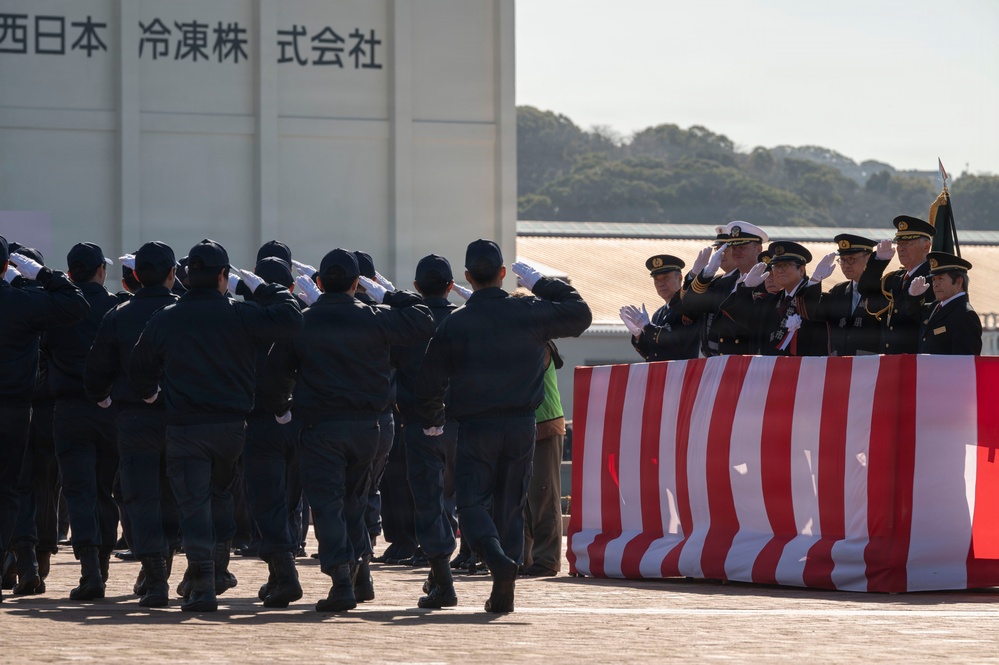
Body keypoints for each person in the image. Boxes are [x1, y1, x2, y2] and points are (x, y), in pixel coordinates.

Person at [415, 240, 591, 614]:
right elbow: (580, 313)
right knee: (511, 505)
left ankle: (497, 560)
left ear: (467, 278)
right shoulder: (528, 311)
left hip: (476, 426)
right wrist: (542, 283)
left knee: (472, 502)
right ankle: (503, 584)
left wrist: (432, 421)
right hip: (522, 425)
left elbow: (428, 381)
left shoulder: (455, 322)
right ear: (500, 274)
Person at [128, 239, 303, 612]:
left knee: (193, 505)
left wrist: (152, 396)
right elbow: (290, 317)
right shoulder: (240, 315)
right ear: (225, 275)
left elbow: (139, 367)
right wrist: (262, 286)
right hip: (231, 427)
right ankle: (213, 572)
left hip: (185, 426)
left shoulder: (167, 317)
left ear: (188, 276)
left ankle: (204, 581)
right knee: (222, 497)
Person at [261, 248, 435, 613]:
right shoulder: (376, 318)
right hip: (367, 428)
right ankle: (358, 575)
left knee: (327, 506)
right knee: (356, 503)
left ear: (319, 283)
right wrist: (386, 293)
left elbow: (276, 374)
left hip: (320, 427)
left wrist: (280, 411)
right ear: (358, 284)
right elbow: (422, 318)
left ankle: (342, 579)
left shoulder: (303, 322)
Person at [84, 241, 181, 607]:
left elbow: (96, 372)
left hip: (133, 417)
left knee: (140, 495)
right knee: (171, 493)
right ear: (173, 274)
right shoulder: (180, 312)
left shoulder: (119, 315)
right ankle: (163, 567)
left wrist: (103, 398)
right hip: (178, 417)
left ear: (135, 276)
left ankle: (155, 574)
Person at [0, 239, 89, 602]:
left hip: (20, 409)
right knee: (8, 491)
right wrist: (43, 276)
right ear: (6, 265)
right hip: (15, 409)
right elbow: (76, 304)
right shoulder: (21, 302)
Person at [43, 243, 121, 601]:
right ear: (100, 271)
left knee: (78, 491)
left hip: (69, 410)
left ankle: (90, 569)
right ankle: (101, 562)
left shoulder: (58, 311)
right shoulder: (115, 307)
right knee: (105, 490)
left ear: (70, 273)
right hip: (110, 409)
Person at [391, 254, 461, 607]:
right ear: (451, 286)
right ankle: (440, 574)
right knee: (450, 500)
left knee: (429, 504)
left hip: (418, 424)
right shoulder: (463, 321)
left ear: (417, 287)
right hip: (461, 424)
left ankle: (443, 580)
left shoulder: (405, 324)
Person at [240, 255, 308, 608]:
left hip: (262, 421)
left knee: (267, 503)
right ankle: (281, 572)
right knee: (289, 501)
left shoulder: (245, 320)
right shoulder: (299, 319)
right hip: (295, 421)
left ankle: (284, 574)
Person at [682, 221, 769, 355]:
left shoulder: (768, 281)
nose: (737, 252)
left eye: (742, 247)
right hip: (722, 361)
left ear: (758, 249)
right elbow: (690, 305)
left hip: (750, 361)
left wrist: (745, 289)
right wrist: (707, 272)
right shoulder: (725, 283)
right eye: (734, 247)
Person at [858, 215, 936, 354]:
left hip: (915, 359)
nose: (901, 248)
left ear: (926, 246)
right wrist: (879, 262)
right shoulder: (895, 278)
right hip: (890, 359)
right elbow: (867, 291)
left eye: (908, 243)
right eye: (899, 243)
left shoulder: (933, 280)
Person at [522, 340, 566, 578]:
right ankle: (524, 556)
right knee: (523, 498)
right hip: (524, 426)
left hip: (544, 425)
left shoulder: (539, 345)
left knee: (543, 495)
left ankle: (547, 559)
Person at [805, 234, 881, 356]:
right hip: (839, 366)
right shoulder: (838, 291)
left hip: (870, 366)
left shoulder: (882, 289)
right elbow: (811, 312)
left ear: (868, 258)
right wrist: (815, 281)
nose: (846, 265)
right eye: (842, 260)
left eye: (851, 259)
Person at [619, 254, 700, 361]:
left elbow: (679, 342)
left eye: (666, 277)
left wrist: (648, 327)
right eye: (656, 279)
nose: (660, 284)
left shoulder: (688, 307)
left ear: (679, 278)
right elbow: (651, 353)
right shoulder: (659, 313)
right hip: (659, 374)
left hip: (681, 374)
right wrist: (638, 335)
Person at [907, 253, 982, 355]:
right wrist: (914, 297)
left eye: (941, 278)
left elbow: (965, 362)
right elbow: (914, 315)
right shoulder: (936, 306)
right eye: (934, 279)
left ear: (959, 282)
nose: (936, 284)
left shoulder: (965, 315)